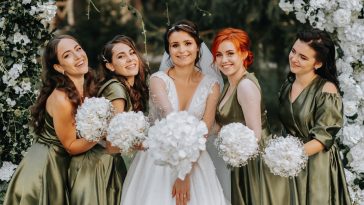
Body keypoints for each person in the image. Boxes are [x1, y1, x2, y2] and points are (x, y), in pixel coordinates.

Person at [121, 20, 228, 205]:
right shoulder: (158, 80)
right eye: (175, 45)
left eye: (188, 43)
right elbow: (172, 119)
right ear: (168, 50)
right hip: (157, 163)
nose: (182, 50)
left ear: (197, 47)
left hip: (196, 163)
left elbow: (205, 129)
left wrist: (184, 175)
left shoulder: (212, 85)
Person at [3, 35, 97, 205]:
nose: (78, 56)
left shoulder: (88, 86)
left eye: (78, 49)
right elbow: (71, 147)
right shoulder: (62, 98)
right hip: (46, 167)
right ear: (59, 67)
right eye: (67, 55)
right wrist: (101, 131)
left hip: (63, 164)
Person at [68, 35, 149, 205]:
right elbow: (113, 143)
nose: (129, 59)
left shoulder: (126, 87)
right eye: (121, 56)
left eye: (131, 53)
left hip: (107, 160)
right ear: (110, 66)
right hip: (100, 165)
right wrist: (150, 145)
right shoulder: (117, 91)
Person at [212, 28, 289, 205]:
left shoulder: (245, 86)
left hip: (253, 161)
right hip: (237, 157)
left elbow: (254, 135)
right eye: (219, 55)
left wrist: (224, 136)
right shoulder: (229, 84)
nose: (224, 60)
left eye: (230, 53)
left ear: (244, 53)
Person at [278, 29, 351, 204]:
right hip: (290, 164)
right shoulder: (287, 86)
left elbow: (322, 138)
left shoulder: (327, 90)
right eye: (294, 51)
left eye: (303, 57)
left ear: (317, 64)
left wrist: (287, 157)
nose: (294, 59)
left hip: (317, 165)